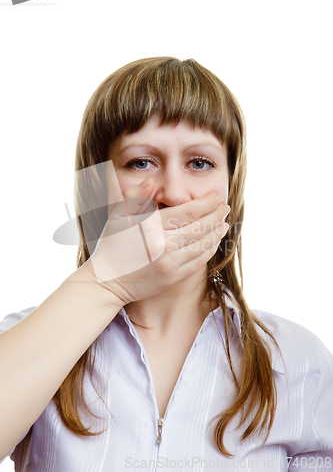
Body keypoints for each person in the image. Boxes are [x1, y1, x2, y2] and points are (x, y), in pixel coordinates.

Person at [0, 57, 332, 472]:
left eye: (200, 163)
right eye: (141, 162)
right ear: (98, 185)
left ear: (231, 186)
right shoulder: (24, 338)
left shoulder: (298, 360)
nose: (173, 193)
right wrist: (106, 283)